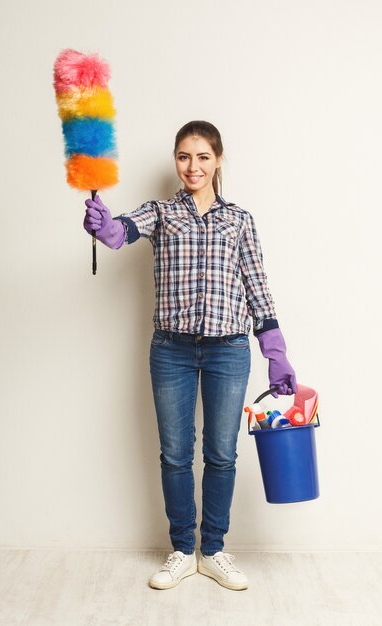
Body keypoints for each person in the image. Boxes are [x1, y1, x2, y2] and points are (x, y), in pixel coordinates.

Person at [83, 120, 297, 591]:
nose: (192, 166)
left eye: (202, 156)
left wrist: (275, 352)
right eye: (183, 156)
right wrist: (104, 226)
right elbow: (123, 233)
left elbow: (257, 288)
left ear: (218, 159)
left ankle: (214, 550)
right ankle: (182, 549)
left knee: (221, 454)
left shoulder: (239, 220)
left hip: (228, 350)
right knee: (176, 455)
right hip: (171, 351)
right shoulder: (161, 211)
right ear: (175, 161)